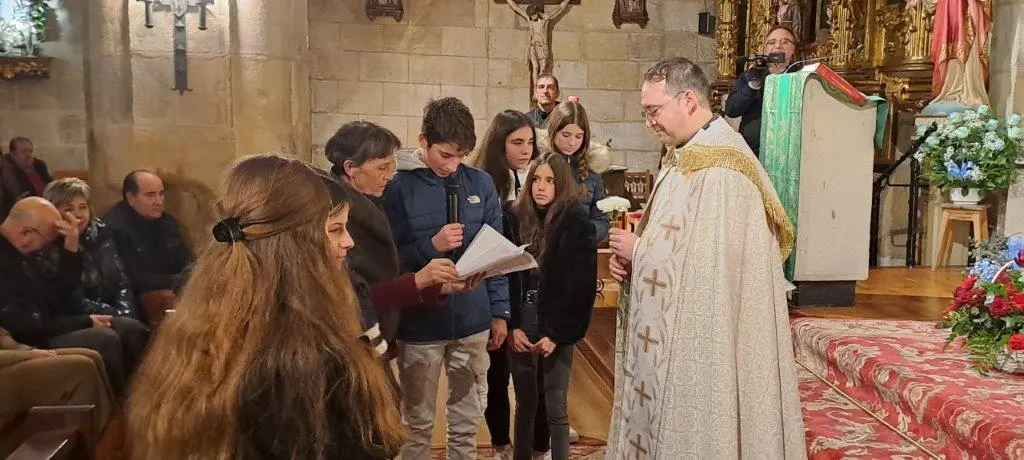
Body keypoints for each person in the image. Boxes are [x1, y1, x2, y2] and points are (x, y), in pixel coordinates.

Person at [127, 154, 405, 460]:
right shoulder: (309, 361)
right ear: (298, 245)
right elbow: (375, 441)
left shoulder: (201, 319)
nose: (349, 242)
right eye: (335, 229)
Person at [604, 58, 805, 458]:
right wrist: (630, 264)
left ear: (689, 100)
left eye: (653, 110)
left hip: (707, 341)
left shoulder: (722, 170)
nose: (649, 122)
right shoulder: (685, 154)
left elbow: (708, 272)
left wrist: (640, 252)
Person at [382, 97, 510, 460]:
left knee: (467, 421)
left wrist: (500, 311)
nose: (453, 166)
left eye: (461, 156)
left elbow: (496, 249)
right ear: (423, 140)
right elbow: (388, 260)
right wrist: (431, 246)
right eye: (445, 155)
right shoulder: (397, 187)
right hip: (420, 324)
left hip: (472, 320)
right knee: (418, 422)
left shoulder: (480, 183)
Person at [322, 121, 463, 349]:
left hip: (380, 331)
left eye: (392, 165)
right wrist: (418, 280)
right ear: (350, 168)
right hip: (355, 340)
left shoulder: (372, 201)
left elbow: (388, 272)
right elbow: (353, 297)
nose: (390, 175)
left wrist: (436, 286)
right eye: (382, 167)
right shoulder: (335, 216)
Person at [507, 153, 596, 460]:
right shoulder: (517, 217)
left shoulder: (575, 220)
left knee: (556, 405)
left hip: (556, 323)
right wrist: (511, 325)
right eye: (536, 179)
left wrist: (557, 334)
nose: (541, 187)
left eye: (549, 181)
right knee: (525, 404)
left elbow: (581, 287)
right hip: (522, 317)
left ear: (561, 184)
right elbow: (504, 276)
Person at [0, 197, 133, 396]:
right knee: (106, 339)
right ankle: (120, 410)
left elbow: (58, 296)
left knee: (129, 328)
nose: (45, 248)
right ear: (25, 233)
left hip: (51, 325)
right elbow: (27, 328)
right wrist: (84, 322)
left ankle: (143, 399)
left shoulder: (24, 251)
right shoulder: (7, 263)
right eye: (46, 242)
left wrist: (71, 248)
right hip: (30, 341)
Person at [474, 110, 547, 459]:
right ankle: (501, 443)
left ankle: (530, 439)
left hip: (523, 284)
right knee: (496, 375)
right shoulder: (485, 180)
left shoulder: (534, 177)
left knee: (526, 374)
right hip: (494, 284)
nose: (526, 149)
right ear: (499, 144)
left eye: (530, 142)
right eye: (517, 142)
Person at [0, 325, 114, 454]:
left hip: (9, 359)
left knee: (93, 356)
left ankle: (105, 439)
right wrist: (26, 355)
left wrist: (27, 351)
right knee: (80, 368)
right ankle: (87, 450)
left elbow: (2, 336)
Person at [102, 170, 193, 326]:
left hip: (172, 284)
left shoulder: (168, 222)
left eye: (161, 194)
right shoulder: (115, 227)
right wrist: (177, 281)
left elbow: (186, 260)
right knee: (168, 300)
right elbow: (132, 277)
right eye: (150, 195)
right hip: (136, 297)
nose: (159, 201)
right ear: (131, 198)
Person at [41, 178, 140, 319]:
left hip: (116, 313)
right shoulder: (47, 247)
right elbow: (71, 300)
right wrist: (115, 317)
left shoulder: (101, 233)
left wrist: (125, 313)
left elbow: (122, 281)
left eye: (83, 207)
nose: (79, 215)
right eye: (69, 209)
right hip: (82, 319)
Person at [724, 25, 798, 157]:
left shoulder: (800, 77)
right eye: (772, 42)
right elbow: (731, 110)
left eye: (785, 42)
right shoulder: (750, 76)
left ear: (793, 49)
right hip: (753, 153)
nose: (778, 46)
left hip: (789, 153)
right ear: (765, 49)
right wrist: (752, 86)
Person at [545, 101, 610, 242]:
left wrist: (585, 230)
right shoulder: (541, 168)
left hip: (581, 252)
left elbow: (602, 221)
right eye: (566, 135)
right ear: (553, 131)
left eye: (578, 136)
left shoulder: (593, 175)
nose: (572, 142)